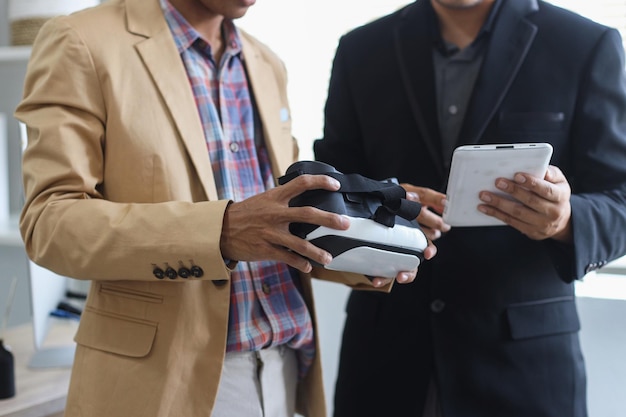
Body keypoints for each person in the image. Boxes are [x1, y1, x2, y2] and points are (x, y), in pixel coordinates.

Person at [14, 0, 436, 416]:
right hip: (161, 386)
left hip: (285, 372)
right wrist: (219, 231)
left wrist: (371, 230)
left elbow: (282, 226)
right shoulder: (81, 41)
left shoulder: (267, 63)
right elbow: (49, 221)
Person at [314, 0, 626, 416]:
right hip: (384, 358)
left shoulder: (585, 43)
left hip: (526, 369)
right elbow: (328, 188)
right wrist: (380, 202)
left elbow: (620, 196)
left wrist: (566, 220)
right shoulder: (360, 48)